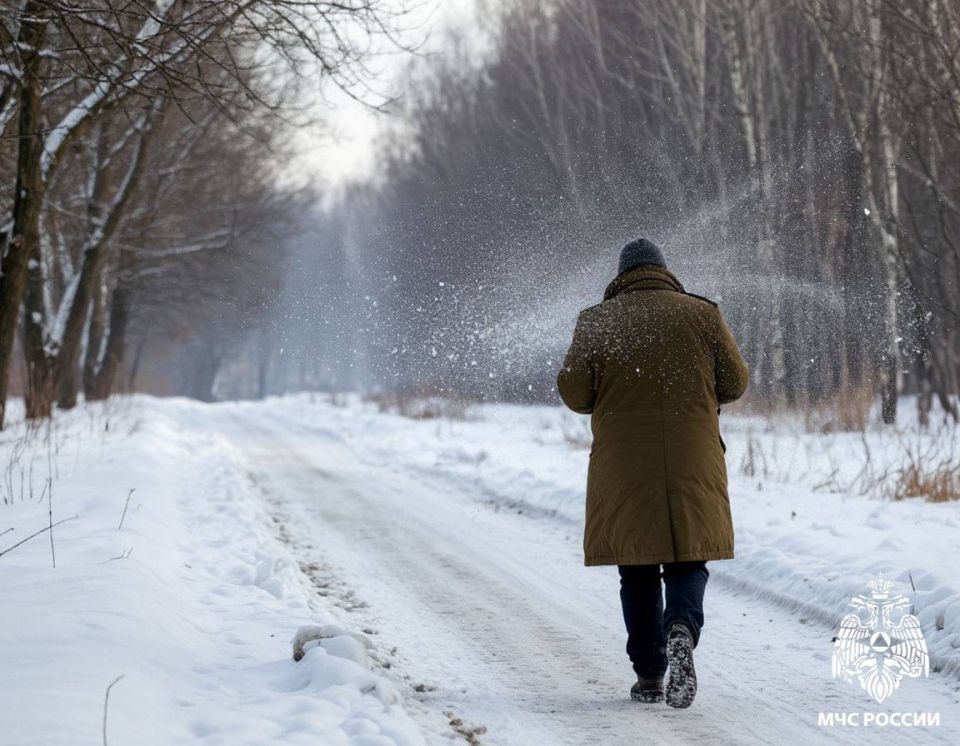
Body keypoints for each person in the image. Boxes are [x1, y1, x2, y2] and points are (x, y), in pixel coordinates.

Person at [557, 238, 749, 709]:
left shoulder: (597, 321)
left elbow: (576, 395)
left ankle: (649, 673)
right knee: (689, 557)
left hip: (624, 466)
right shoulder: (703, 315)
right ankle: (681, 626)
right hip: (693, 457)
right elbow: (736, 383)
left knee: (637, 569)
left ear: (621, 276)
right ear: (664, 271)